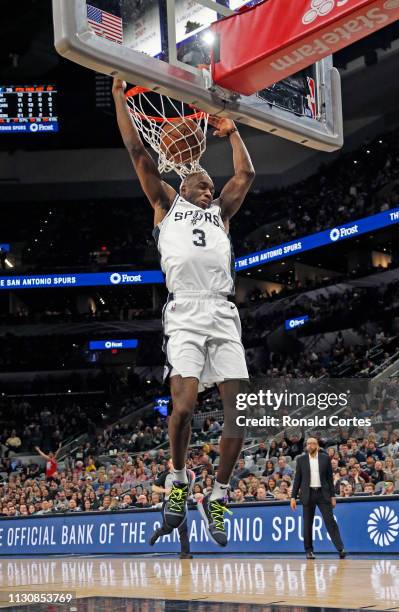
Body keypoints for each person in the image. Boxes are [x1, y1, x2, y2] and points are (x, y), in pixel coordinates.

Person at [113, 78, 255, 548]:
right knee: (185, 408)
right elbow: (138, 151)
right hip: (186, 314)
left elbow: (246, 176)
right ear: (182, 182)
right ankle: (177, 478)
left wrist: (231, 130)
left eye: (210, 183)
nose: (208, 184)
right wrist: (118, 96)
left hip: (222, 312)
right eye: (201, 181)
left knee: (241, 414)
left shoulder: (222, 213)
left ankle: (218, 492)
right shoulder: (165, 203)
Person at [290, 437, 345, 559]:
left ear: (317, 446)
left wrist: (332, 496)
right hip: (307, 494)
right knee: (307, 524)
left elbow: (329, 480)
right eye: (308, 444)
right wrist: (293, 497)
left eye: (313, 443)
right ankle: (309, 551)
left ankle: (340, 548)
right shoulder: (301, 460)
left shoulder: (325, 459)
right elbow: (297, 480)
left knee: (330, 522)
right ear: (306, 446)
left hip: (323, 494)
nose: (310, 445)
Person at [149, 459, 195, 559]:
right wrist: (165, 490)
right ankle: (158, 533)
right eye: (172, 462)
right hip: (168, 504)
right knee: (168, 529)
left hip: (181, 503)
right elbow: (154, 488)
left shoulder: (185, 474)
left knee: (183, 529)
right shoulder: (165, 475)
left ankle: (185, 553)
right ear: (169, 465)